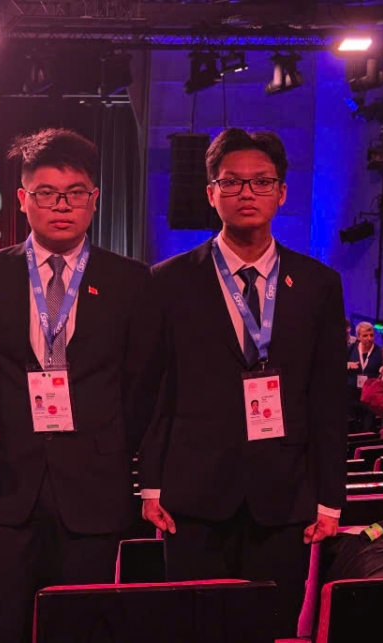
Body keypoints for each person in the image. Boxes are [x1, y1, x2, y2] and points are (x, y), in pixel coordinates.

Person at [140, 128, 345, 639]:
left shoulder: (318, 284)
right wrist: (151, 485)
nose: (247, 193)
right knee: (192, 630)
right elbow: (157, 390)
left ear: (282, 192)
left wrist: (330, 499)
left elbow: (327, 400)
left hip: (285, 498)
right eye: (232, 182)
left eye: (261, 182)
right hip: (192, 497)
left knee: (267, 629)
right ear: (211, 193)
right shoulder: (168, 281)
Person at [0, 128, 159, 642]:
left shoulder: (130, 280)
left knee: (81, 628)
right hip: (5, 490)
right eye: (47, 193)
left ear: (94, 199)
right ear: (22, 198)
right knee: (1, 626)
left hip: (93, 489)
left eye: (75, 193)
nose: (61, 205)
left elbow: (141, 384)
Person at [347, 321, 383, 431]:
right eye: (365, 335)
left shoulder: (380, 352)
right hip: (352, 394)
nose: (369, 338)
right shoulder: (351, 348)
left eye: (371, 335)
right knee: (352, 426)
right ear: (358, 337)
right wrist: (347, 364)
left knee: (367, 426)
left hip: (370, 396)